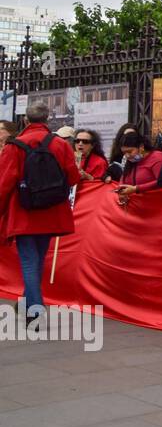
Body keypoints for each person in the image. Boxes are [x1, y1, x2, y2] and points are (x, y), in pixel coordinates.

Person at [0, 101, 81, 323]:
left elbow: (4, 183)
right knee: (38, 259)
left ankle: (35, 310)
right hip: (51, 211)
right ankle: (27, 301)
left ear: (26, 120)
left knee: (28, 260)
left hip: (24, 211)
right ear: (47, 120)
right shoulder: (60, 144)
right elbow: (73, 177)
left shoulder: (14, 146)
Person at [115, 133, 162, 203]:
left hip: (157, 205)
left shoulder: (157, 158)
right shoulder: (131, 160)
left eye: (130, 151)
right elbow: (123, 177)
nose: (127, 155)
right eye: (124, 153)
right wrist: (121, 190)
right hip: (136, 208)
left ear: (141, 147)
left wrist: (136, 188)